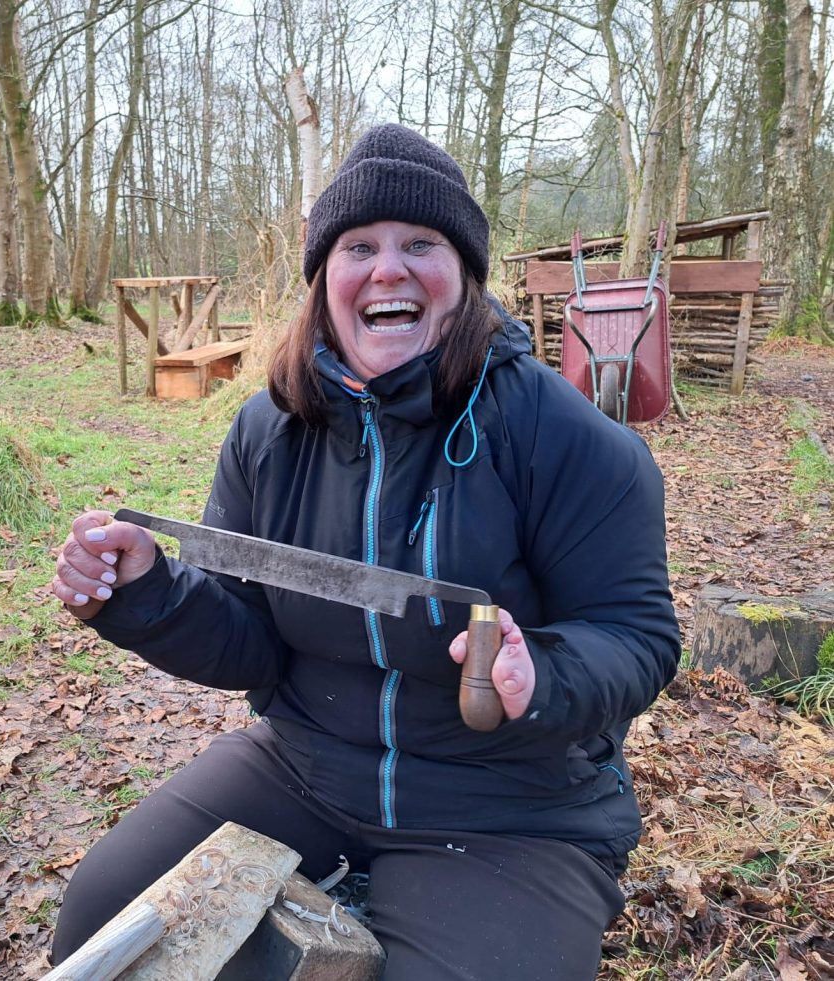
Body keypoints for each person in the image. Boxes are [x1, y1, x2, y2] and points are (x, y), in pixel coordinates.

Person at [50, 124, 680, 980]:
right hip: (304, 764)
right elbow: (249, 637)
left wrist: (544, 679)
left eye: (420, 243)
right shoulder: (269, 432)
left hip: (513, 805)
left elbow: (637, 635)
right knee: (106, 914)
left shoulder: (562, 436)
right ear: (324, 281)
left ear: (463, 274)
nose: (389, 269)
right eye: (359, 247)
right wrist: (146, 592)